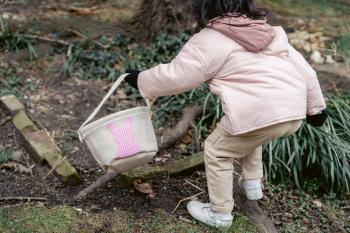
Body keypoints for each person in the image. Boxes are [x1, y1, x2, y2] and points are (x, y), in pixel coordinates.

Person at [124, 0, 327, 228]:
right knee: (250, 133)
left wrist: (140, 79)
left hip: (258, 113)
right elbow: (306, 72)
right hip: (293, 111)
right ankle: (252, 184)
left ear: (203, 8)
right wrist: (316, 109)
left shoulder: (209, 40)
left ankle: (220, 213)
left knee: (217, 150)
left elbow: (177, 75)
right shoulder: (268, 32)